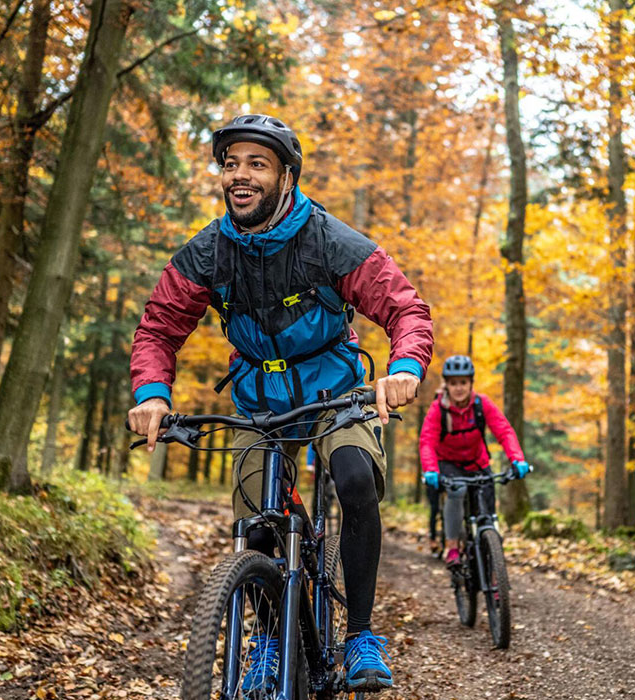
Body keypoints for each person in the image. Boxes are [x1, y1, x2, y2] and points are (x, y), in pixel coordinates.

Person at [127, 114, 432, 691]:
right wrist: (151, 396)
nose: (240, 176)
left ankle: (362, 635)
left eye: (257, 165)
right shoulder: (209, 252)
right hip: (257, 399)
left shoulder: (329, 240)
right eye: (231, 164)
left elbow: (405, 310)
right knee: (256, 523)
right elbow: (159, 328)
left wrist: (404, 368)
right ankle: (269, 638)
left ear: (286, 176)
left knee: (354, 476)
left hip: (332, 389)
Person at [418, 355, 530, 569]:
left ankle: (495, 573)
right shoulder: (438, 409)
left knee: (487, 515)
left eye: (463, 382)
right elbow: (427, 442)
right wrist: (431, 470)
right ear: (446, 385)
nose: (458, 388)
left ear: (471, 383)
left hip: (478, 464)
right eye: (453, 383)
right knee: (457, 491)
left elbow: (504, 431)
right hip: (449, 464)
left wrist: (517, 459)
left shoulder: (482, 404)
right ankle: (452, 547)